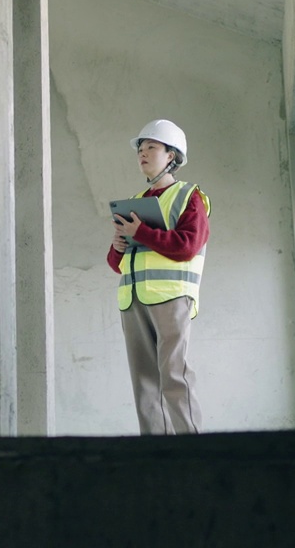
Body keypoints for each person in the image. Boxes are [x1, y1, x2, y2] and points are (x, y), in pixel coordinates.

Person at [108, 119, 210, 435]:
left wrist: (142, 232)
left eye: (151, 146)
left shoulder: (188, 197)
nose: (142, 152)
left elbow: (187, 246)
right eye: (140, 148)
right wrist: (118, 245)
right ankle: (156, 456)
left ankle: (195, 453)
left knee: (174, 376)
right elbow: (117, 263)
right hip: (134, 299)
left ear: (172, 156)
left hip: (170, 297)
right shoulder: (138, 201)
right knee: (144, 385)